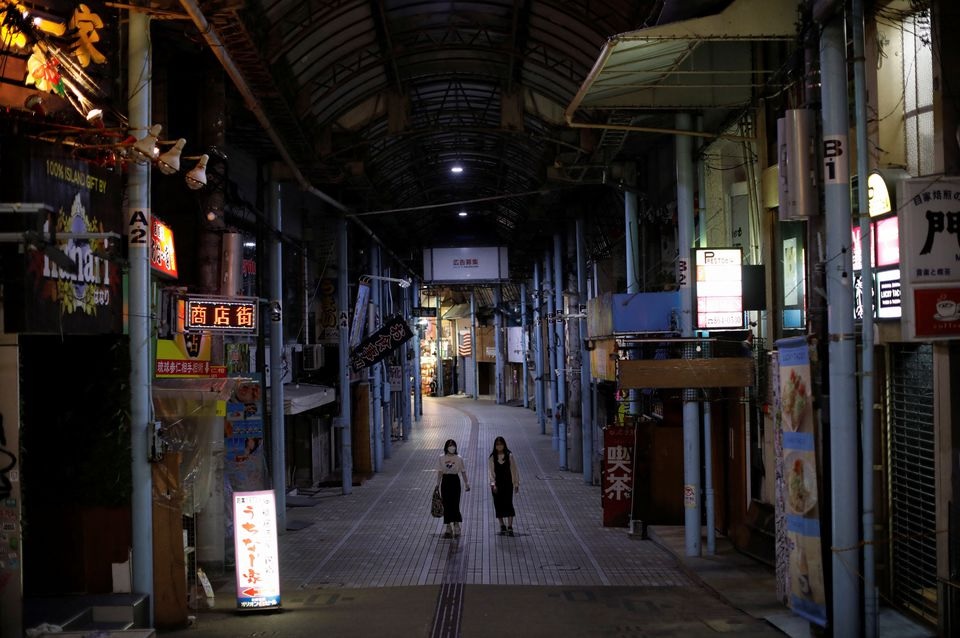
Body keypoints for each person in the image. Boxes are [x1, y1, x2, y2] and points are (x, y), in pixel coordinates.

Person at [436, 438, 470, 538]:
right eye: (450, 445)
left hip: (455, 481)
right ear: (446, 447)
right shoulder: (441, 458)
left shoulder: (459, 458)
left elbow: (463, 471)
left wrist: (466, 483)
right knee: (446, 504)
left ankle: (456, 524)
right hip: (445, 482)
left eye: (453, 445)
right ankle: (448, 526)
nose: (452, 447)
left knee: (455, 503)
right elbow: (440, 471)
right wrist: (437, 484)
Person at [487, 436, 519, 536]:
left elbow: (514, 471)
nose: (499, 446)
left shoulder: (509, 456)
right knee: (498, 505)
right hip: (497, 485)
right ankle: (502, 525)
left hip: (508, 484)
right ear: (495, 446)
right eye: (497, 444)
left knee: (509, 504)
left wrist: (516, 484)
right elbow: (491, 473)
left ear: (504, 445)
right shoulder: (492, 457)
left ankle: (510, 526)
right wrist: (493, 484)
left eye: (501, 444)